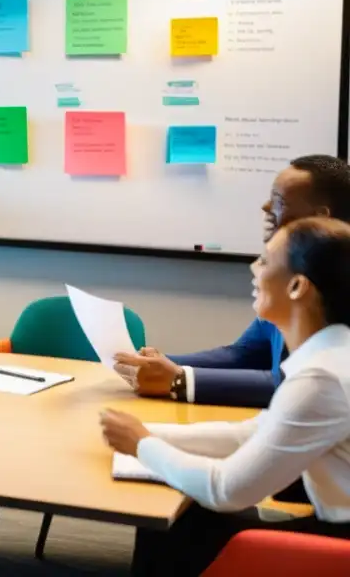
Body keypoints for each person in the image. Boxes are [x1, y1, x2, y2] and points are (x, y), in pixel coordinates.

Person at [102, 215, 350, 575]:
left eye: (264, 260)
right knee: (188, 515)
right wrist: (146, 432)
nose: (253, 268)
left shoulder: (321, 378)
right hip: (333, 530)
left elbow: (226, 489)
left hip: (338, 547)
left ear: (297, 287)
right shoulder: (331, 354)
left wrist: (142, 445)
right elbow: (252, 434)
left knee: (184, 521)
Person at [114, 155, 350, 408]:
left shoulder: (338, 287)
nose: (266, 207)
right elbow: (243, 354)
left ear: (320, 217)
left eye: (279, 201)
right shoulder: (286, 274)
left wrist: (179, 379)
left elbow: (297, 386)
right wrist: (158, 363)